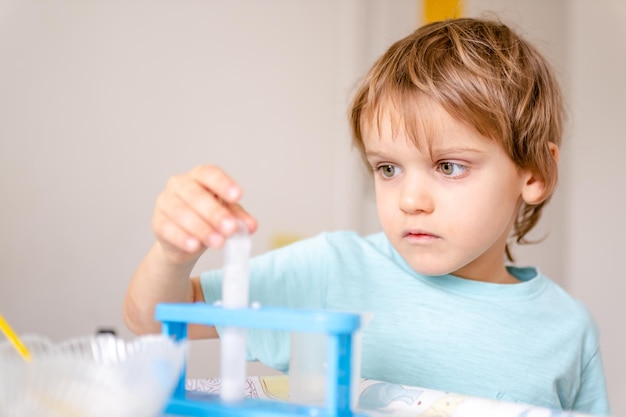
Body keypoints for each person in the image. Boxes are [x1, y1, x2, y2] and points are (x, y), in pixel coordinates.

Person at [123, 17, 610, 415]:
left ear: (534, 174)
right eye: (388, 168)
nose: (409, 199)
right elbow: (150, 321)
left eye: (449, 166)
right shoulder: (333, 269)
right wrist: (172, 253)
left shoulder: (568, 330)